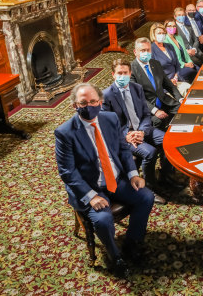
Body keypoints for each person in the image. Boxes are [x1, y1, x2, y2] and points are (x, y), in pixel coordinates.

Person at [55, 83, 154, 276]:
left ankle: (132, 242)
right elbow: (67, 172)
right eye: (83, 103)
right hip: (90, 187)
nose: (89, 106)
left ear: (100, 102)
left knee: (146, 197)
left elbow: (124, 149)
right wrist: (91, 196)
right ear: (75, 105)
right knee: (103, 219)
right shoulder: (64, 132)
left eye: (93, 101)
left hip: (116, 179)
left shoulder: (110, 119)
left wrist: (133, 174)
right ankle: (114, 256)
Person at [102, 59, 184, 204]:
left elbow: (146, 114)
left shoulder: (137, 88)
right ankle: (149, 188)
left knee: (169, 141)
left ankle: (164, 177)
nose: (122, 76)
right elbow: (107, 126)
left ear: (130, 73)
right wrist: (126, 137)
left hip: (143, 129)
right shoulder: (106, 96)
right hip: (125, 137)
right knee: (150, 152)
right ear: (113, 74)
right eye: (119, 73)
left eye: (125, 73)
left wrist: (142, 132)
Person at [131, 37, 183, 130]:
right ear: (135, 52)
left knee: (183, 109)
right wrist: (155, 111)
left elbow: (169, 85)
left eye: (148, 50)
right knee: (158, 121)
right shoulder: (131, 70)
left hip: (164, 101)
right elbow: (137, 97)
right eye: (143, 50)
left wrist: (180, 98)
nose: (146, 53)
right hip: (148, 107)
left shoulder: (155, 63)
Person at [149, 23, 195, 91]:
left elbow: (177, 64)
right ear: (153, 35)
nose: (161, 35)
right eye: (159, 33)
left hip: (177, 79)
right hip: (165, 85)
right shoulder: (151, 50)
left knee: (192, 91)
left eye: (163, 33)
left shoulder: (169, 46)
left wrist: (176, 77)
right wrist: (169, 81)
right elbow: (155, 73)